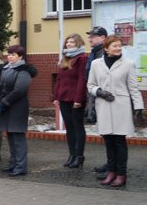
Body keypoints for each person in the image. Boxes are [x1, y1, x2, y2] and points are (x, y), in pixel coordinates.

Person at [87, 35, 143, 188]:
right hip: (104, 105)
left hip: (121, 106)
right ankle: (111, 172)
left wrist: (138, 107)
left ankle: (121, 174)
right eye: (115, 46)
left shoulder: (128, 64)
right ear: (106, 48)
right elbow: (90, 85)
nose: (118, 48)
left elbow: (133, 87)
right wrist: (100, 92)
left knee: (119, 142)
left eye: (119, 45)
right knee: (108, 141)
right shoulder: (96, 64)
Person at [0, 45, 36, 177]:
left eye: (13, 54)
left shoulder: (23, 71)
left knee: (18, 138)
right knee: (10, 137)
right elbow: (0, 86)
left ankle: (20, 166)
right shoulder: (6, 69)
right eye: (9, 54)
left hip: (17, 108)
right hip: (6, 107)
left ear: (20, 56)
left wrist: (4, 102)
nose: (10, 57)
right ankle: (12, 163)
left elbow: (19, 90)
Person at [52, 34, 89, 168]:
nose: (68, 44)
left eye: (72, 42)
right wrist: (56, 97)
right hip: (64, 98)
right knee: (70, 128)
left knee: (77, 127)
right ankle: (71, 154)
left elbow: (81, 79)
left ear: (78, 43)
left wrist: (78, 99)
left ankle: (79, 156)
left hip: (76, 99)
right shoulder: (65, 58)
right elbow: (59, 80)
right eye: (67, 42)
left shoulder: (82, 58)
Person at [85, 26, 108, 173]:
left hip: (105, 98)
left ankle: (113, 166)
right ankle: (110, 163)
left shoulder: (103, 53)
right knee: (105, 133)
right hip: (96, 96)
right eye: (90, 36)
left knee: (110, 134)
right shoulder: (94, 53)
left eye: (93, 36)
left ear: (103, 38)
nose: (90, 39)